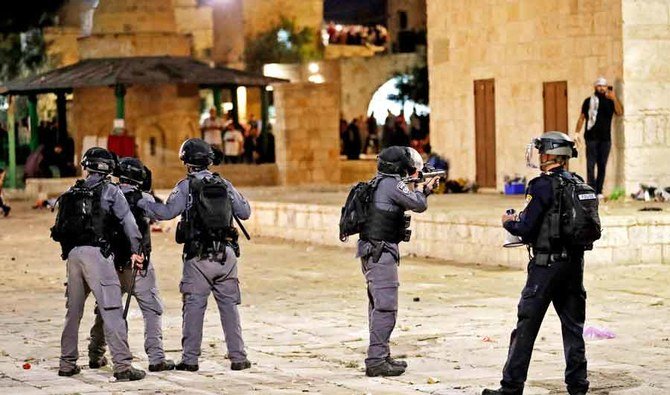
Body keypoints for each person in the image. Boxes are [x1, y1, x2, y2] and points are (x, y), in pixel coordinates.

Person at [483, 132, 597, 395]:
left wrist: (508, 222)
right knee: (573, 329)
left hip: (546, 267)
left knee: (525, 328)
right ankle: (578, 386)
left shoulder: (541, 186)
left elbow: (527, 227)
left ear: (547, 155)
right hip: (573, 266)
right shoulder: (579, 184)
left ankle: (510, 387)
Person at [137, 138, 252, 372]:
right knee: (229, 307)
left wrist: (141, 201)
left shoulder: (186, 185)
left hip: (198, 257)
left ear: (187, 162)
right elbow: (245, 212)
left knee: (193, 308)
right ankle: (238, 357)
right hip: (227, 256)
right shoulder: (224, 183)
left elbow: (167, 212)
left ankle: (190, 360)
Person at [51, 147, 146, 381]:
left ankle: (67, 363)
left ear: (87, 166)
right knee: (112, 309)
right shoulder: (111, 191)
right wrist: (137, 251)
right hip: (98, 255)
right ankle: (123, 366)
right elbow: (129, 223)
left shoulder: (72, 191)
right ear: (108, 168)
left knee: (73, 312)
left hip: (73, 257)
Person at [87, 157, 175, 373]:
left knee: (106, 311)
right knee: (152, 309)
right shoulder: (142, 198)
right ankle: (156, 358)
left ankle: (95, 354)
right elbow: (163, 213)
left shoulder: (107, 194)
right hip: (139, 266)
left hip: (110, 264)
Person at [357, 146, 439, 377]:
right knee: (386, 308)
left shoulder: (379, 182)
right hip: (380, 253)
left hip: (373, 251)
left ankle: (381, 355)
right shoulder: (392, 183)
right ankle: (376, 361)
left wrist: (419, 186)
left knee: (378, 306)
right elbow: (418, 204)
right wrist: (425, 191)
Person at [574, 77, 623, 198]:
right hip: (591, 137)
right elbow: (582, 117)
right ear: (595, 87)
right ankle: (591, 190)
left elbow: (619, 112)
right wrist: (576, 132)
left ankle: (599, 191)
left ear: (607, 87)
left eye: (604, 86)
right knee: (590, 165)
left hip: (605, 138)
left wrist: (614, 98)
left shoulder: (610, 101)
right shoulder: (588, 101)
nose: (602, 88)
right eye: (599, 86)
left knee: (602, 165)